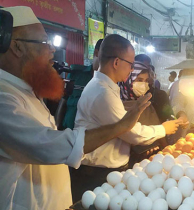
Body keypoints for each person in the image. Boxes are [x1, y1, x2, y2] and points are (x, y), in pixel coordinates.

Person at [0, 6, 150, 209]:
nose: (52, 49)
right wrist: (122, 125)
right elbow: (52, 146)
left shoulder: (26, 91)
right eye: (45, 42)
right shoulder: (5, 99)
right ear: (17, 47)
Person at [72, 35, 180, 201]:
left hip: (104, 171)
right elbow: (130, 132)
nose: (131, 70)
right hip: (97, 174)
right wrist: (163, 129)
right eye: (130, 64)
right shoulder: (103, 94)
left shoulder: (105, 88)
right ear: (116, 62)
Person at [63, 39, 103, 129]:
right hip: (67, 132)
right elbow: (63, 101)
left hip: (89, 137)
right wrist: (57, 127)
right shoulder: (76, 74)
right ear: (96, 53)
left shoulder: (110, 84)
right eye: (107, 56)